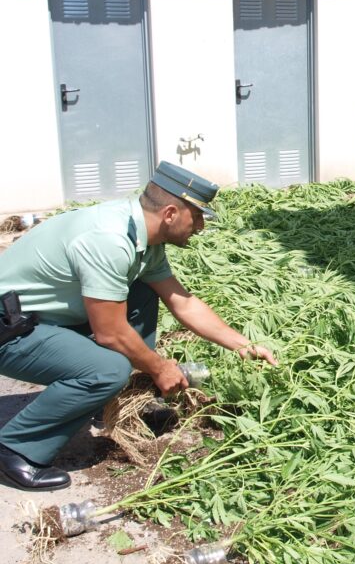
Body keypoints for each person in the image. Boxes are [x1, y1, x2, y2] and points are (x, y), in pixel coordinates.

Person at [0, 161, 277, 490]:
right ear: (171, 214)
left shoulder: (143, 234)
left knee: (143, 290)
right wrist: (159, 368)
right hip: (11, 331)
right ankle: (16, 448)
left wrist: (243, 345)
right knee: (107, 369)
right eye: (198, 217)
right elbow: (110, 333)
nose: (201, 227)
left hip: (44, 320)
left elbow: (182, 301)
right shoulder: (110, 240)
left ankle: (121, 400)